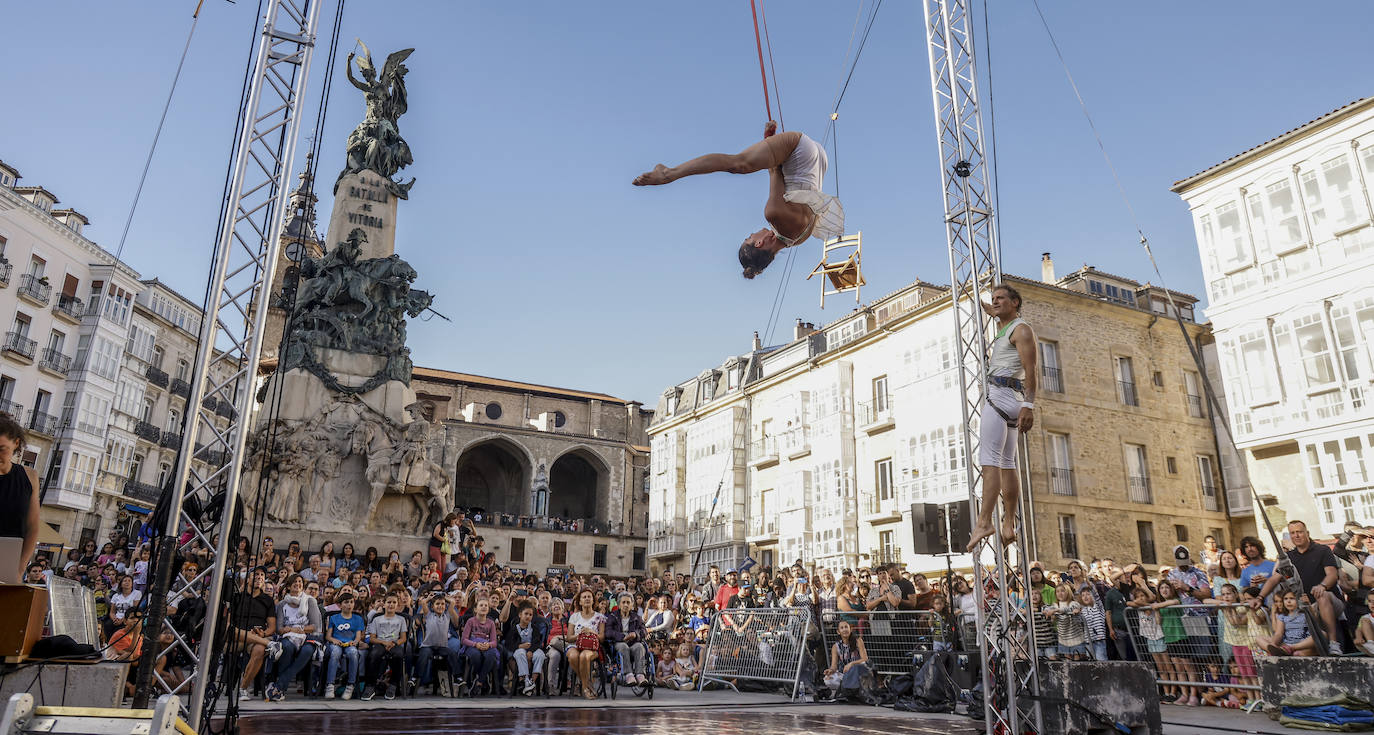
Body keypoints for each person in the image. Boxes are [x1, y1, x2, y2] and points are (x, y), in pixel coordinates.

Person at [633, 121, 844, 279]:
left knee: (745, 164)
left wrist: (769, 145)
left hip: (817, 159)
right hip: (800, 150)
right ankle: (668, 174)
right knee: (738, 165)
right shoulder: (774, 215)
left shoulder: (797, 239)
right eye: (749, 237)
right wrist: (768, 142)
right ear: (759, 243)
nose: (752, 233)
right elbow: (774, 169)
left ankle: (669, 173)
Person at [966, 284, 1037, 550]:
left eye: (1001, 299)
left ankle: (984, 522)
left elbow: (1032, 369)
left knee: (989, 462)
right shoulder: (1006, 326)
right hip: (1010, 398)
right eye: (993, 299)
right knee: (1007, 462)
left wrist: (1029, 405)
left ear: (1015, 302)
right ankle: (1008, 523)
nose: (995, 302)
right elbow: (989, 308)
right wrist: (977, 297)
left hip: (1001, 396)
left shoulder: (1021, 330)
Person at [1256, 520, 1345, 655]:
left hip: (1327, 601)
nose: (1296, 535)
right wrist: (1260, 597)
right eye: (1293, 533)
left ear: (1307, 533)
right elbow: (1274, 579)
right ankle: (1278, 649)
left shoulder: (1322, 550)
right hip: (1303, 606)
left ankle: (1334, 643)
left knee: (1322, 595)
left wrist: (1322, 586)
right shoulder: (1289, 557)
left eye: (1299, 532)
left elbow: (1332, 575)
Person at [265, 575, 321, 703]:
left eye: (300, 581)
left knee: (307, 651)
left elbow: (315, 626)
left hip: (307, 637)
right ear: (289, 586)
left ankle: (279, 686)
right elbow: (279, 628)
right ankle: (281, 689)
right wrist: (290, 630)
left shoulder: (310, 601)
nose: (298, 583)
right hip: (288, 636)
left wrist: (296, 629)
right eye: (295, 581)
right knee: (287, 647)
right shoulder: (282, 604)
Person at [0, 413, 42, 583]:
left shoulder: (29, 476)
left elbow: (33, 528)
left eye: (2, 449)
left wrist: (20, 568)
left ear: (16, 443)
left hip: (9, 566)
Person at [362, 594, 408, 700]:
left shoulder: (401, 619)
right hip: (380, 643)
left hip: (394, 643)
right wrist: (384, 642)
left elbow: (403, 638)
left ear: (397, 605)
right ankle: (370, 686)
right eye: (389, 602)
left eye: (394, 602)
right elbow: (372, 638)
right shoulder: (377, 619)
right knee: (374, 655)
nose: (391, 605)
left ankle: (393, 685)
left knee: (399, 655)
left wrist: (394, 643)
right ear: (384, 604)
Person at [566, 589, 606, 700]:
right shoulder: (574, 616)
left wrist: (592, 632)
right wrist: (580, 634)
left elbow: (602, 638)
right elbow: (569, 638)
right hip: (575, 644)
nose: (587, 599)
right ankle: (587, 684)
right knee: (573, 656)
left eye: (589, 597)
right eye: (584, 597)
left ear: (593, 600)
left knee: (584, 655)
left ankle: (584, 688)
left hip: (592, 646)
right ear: (580, 602)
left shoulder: (600, 617)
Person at [323, 593, 364, 699]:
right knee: (335, 652)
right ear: (340, 605)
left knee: (354, 653)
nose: (349, 605)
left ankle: (350, 685)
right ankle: (330, 685)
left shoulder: (358, 619)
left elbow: (358, 637)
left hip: (349, 644)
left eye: (351, 602)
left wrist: (354, 642)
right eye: (346, 602)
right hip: (336, 644)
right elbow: (328, 636)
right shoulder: (334, 618)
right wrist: (334, 640)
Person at [503, 601, 548, 696]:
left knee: (540, 655)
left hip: (533, 649)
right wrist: (519, 646)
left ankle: (532, 681)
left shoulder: (534, 628)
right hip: (520, 649)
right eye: (526, 614)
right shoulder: (515, 629)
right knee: (520, 653)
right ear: (520, 615)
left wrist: (531, 650)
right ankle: (525, 678)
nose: (528, 616)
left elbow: (537, 642)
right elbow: (509, 643)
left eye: (530, 615)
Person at [822, 620, 870, 695]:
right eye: (842, 628)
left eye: (846, 627)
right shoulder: (835, 646)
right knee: (828, 679)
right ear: (838, 632)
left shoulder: (858, 641)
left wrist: (851, 664)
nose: (844, 629)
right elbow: (834, 666)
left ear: (850, 629)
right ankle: (847, 688)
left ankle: (851, 687)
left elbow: (865, 659)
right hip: (844, 674)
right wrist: (830, 670)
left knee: (863, 664)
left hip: (857, 672)